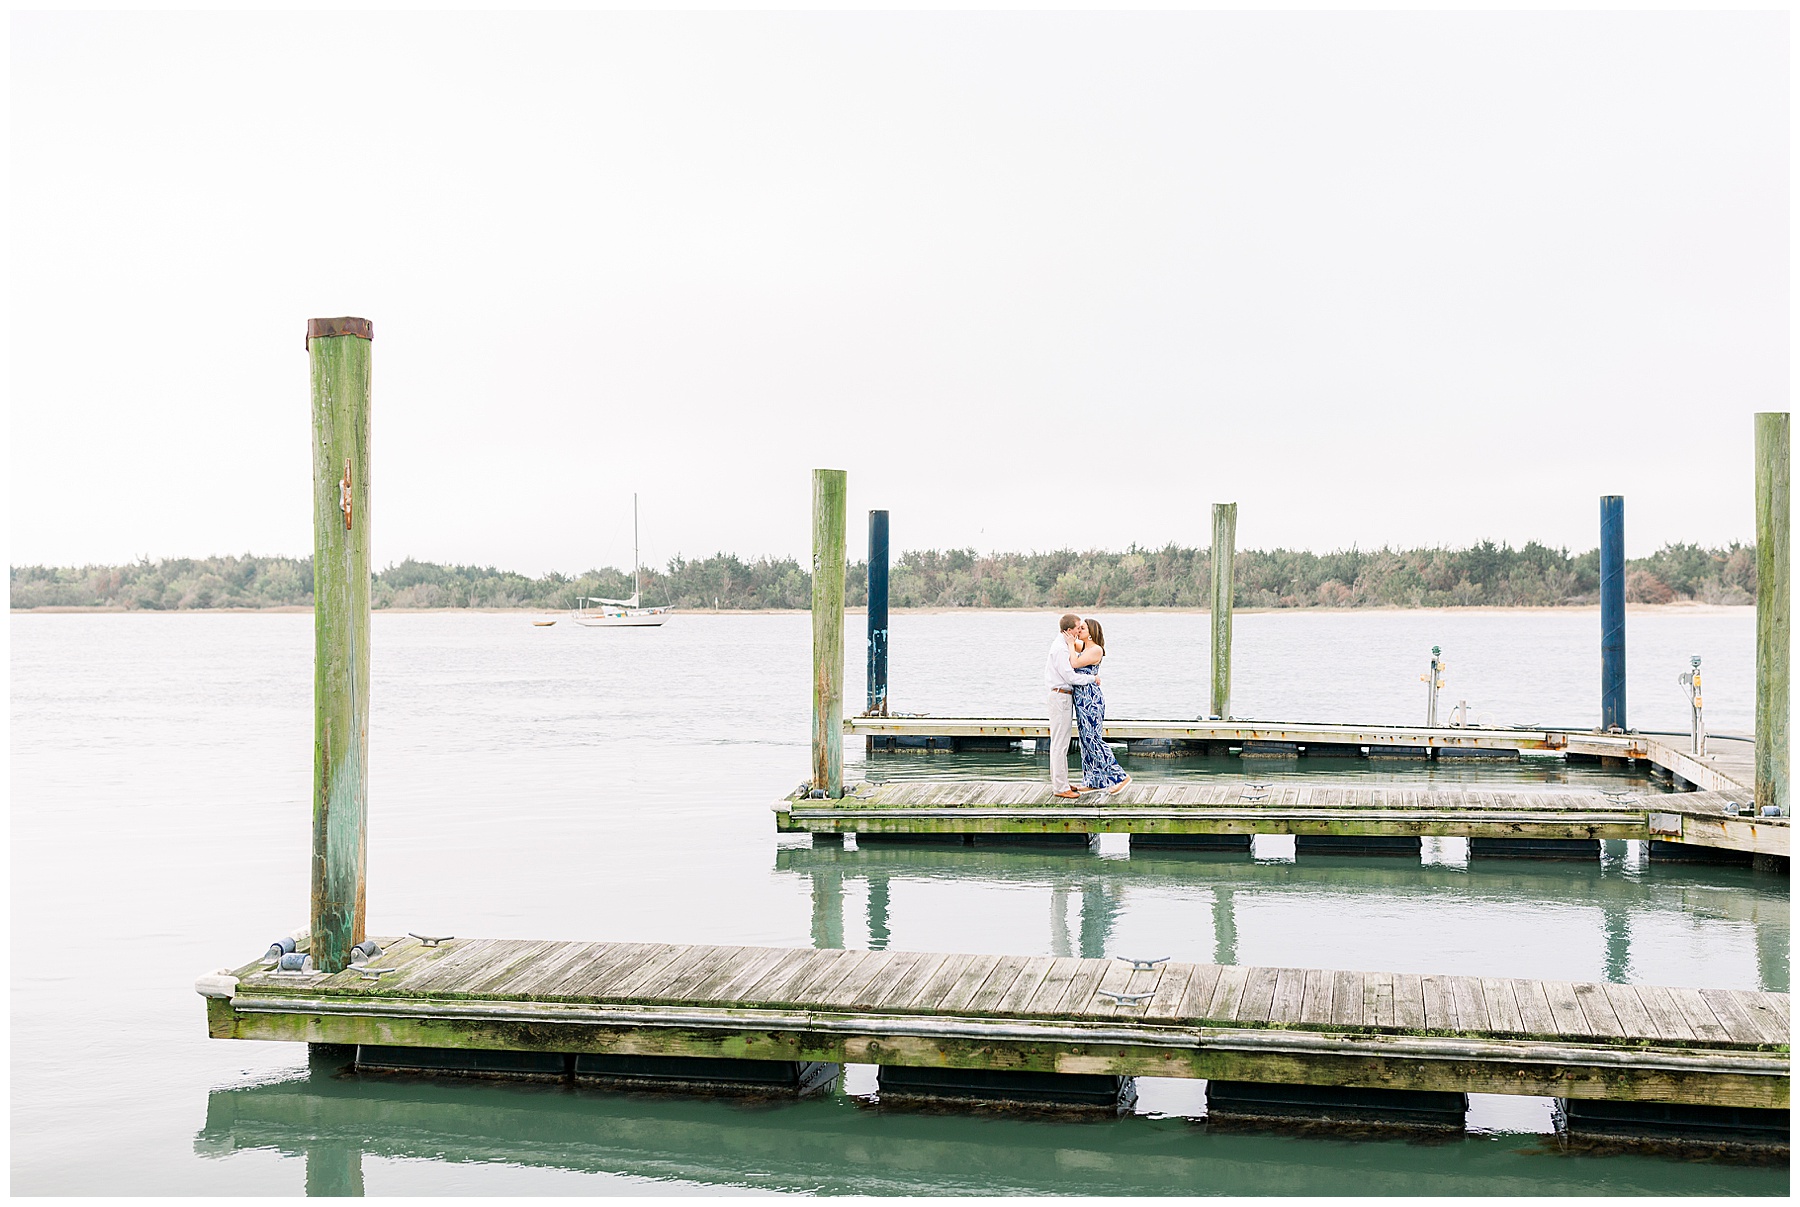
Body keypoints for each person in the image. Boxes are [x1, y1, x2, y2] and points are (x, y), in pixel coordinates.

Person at [1070, 617, 1131, 794]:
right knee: (1085, 741)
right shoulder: (1084, 647)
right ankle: (1093, 781)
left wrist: (1070, 644)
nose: (1079, 630)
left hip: (1091, 699)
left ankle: (1120, 776)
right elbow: (1070, 643)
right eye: (1079, 628)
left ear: (1091, 632)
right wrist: (1070, 635)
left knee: (1093, 740)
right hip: (1081, 700)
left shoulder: (1096, 650)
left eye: (1082, 628)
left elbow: (1074, 663)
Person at [1044, 613, 1097, 798]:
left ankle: (1063, 782)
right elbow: (1070, 677)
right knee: (1060, 743)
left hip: (1063, 697)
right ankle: (1060, 788)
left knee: (1063, 742)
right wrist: (1092, 678)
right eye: (1077, 628)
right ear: (1068, 631)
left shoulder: (1064, 644)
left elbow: (1086, 648)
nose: (1079, 630)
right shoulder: (1060, 649)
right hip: (1060, 697)